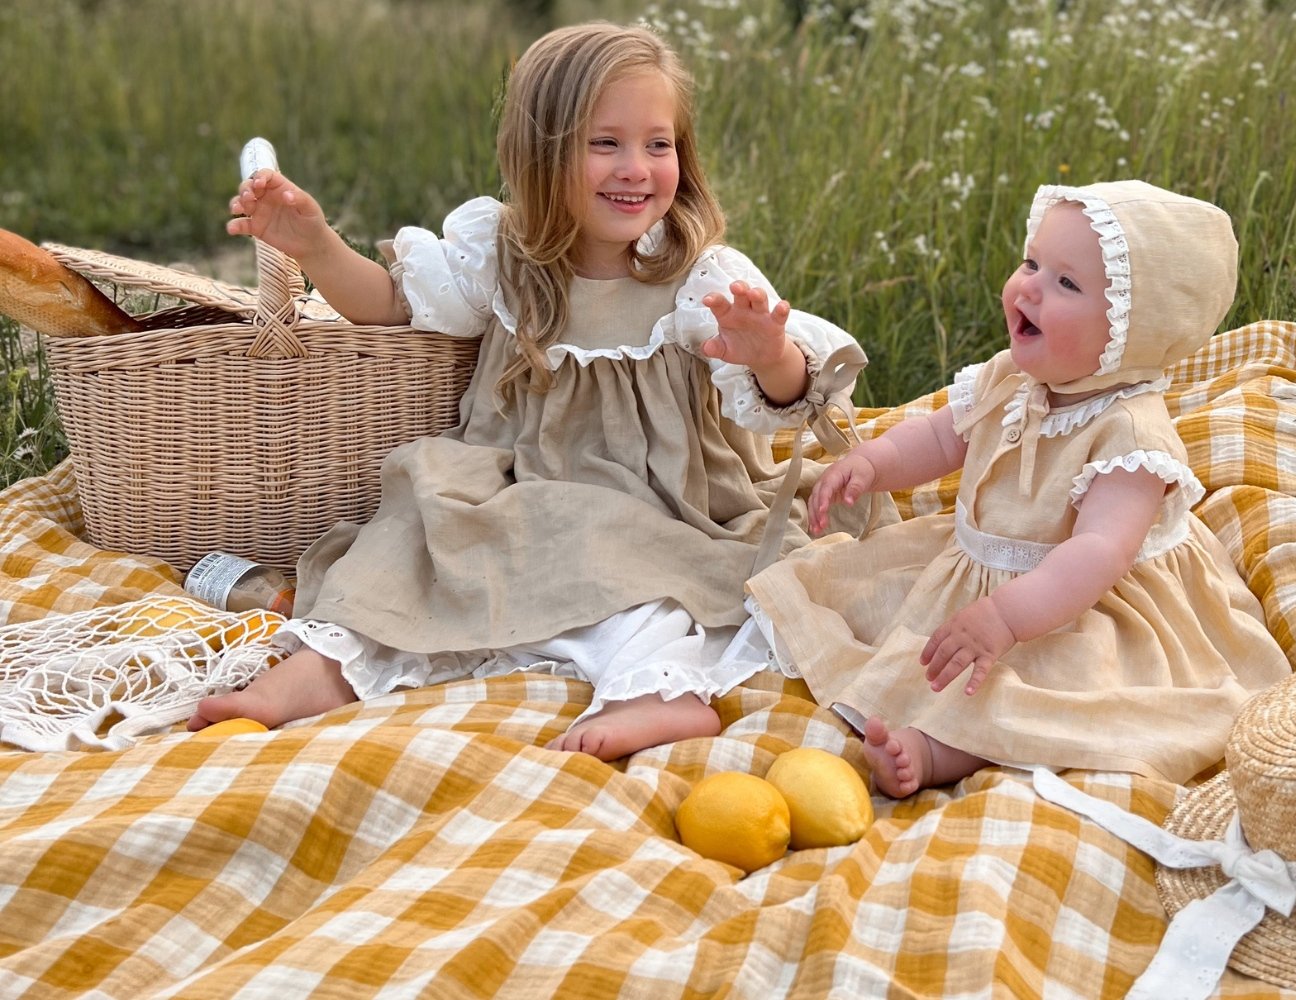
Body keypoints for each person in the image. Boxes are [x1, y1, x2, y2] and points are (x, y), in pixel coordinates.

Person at [187, 22, 887, 760]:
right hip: (520, 488)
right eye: (605, 143)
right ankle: (324, 670)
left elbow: (788, 400)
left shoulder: (698, 278)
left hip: (661, 504)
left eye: (659, 144)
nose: (636, 168)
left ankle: (660, 692)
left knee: (654, 594)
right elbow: (393, 306)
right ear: (542, 152)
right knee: (412, 539)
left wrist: (770, 352)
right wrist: (318, 247)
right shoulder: (502, 253)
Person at [744, 180, 1292, 797]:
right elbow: (944, 438)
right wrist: (876, 461)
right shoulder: (1013, 378)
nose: (1028, 286)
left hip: (1076, 604)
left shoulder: (1130, 437)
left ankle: (932, 753)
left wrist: (1006, 616)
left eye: (1066, 283)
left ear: (1130, 334)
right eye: (1032, 263)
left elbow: (1099, 555)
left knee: (1035, 692)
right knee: (886, 626)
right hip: (983, 568)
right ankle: (931, 727)